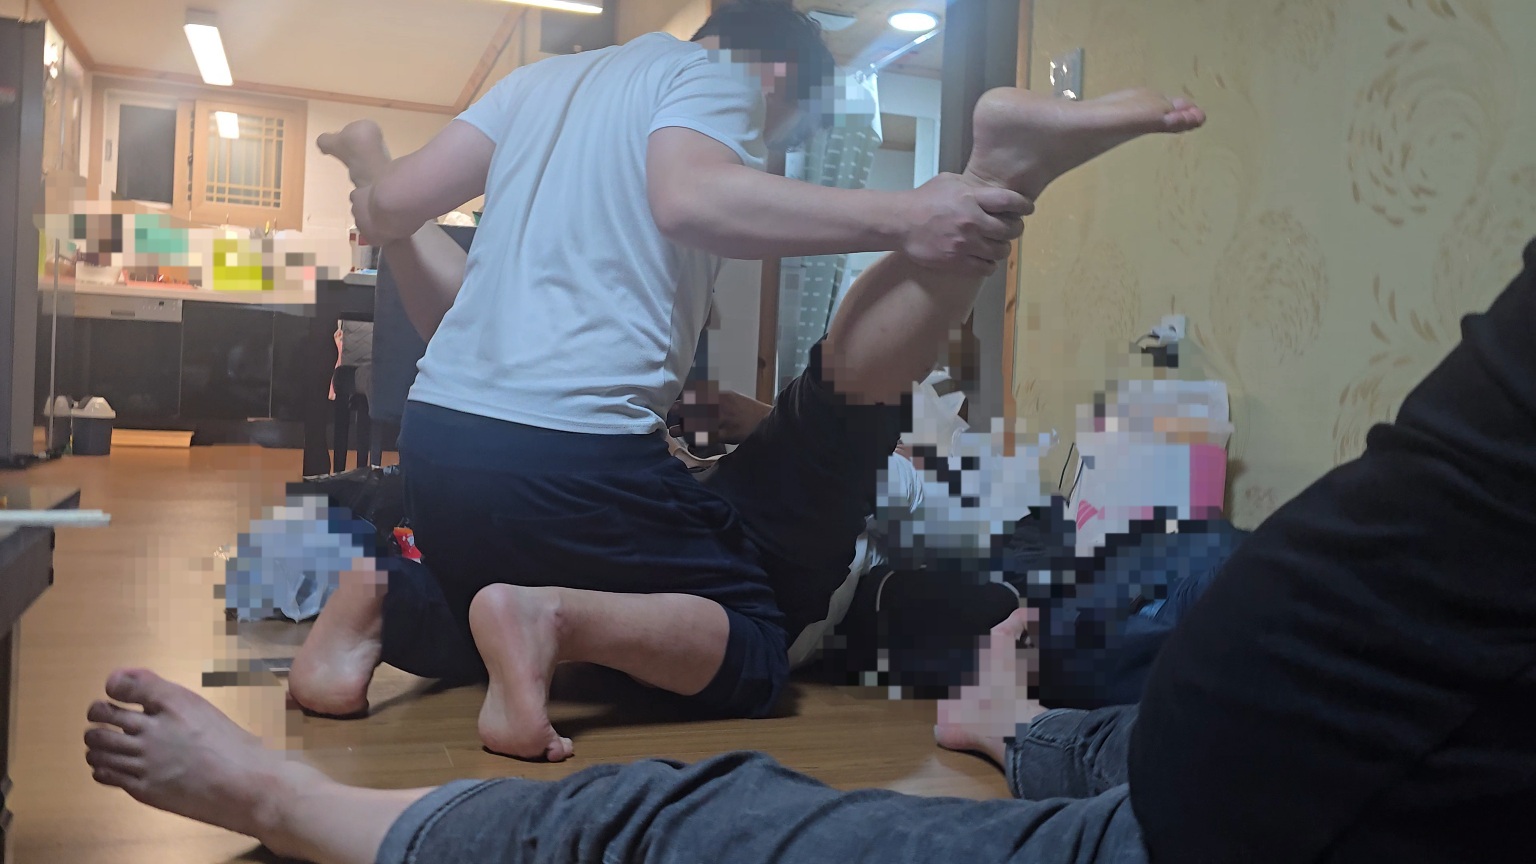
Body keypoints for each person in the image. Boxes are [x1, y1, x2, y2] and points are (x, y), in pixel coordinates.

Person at [89, 237, 1536, 863]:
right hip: (783, 574)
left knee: (743, 665)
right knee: (778, 580)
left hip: (719, 556)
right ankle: (499, 616)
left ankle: (403, 647)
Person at [286, 0, 1203, 764]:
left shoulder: (537, 83)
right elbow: (690, 198)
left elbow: (394, 211)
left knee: (506, 587)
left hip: (442, 452)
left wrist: (371, 175)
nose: (758, 151)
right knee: (755, 640)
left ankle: (383, 601)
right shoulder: (714, 76)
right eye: (774, 136)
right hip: (575, 466)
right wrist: (907, 215)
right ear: (779, 79)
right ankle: (1000, 176)